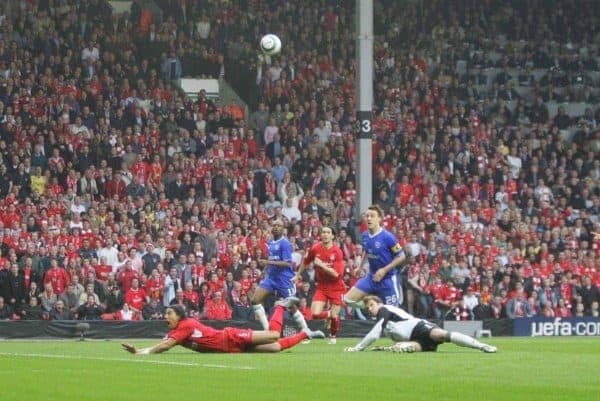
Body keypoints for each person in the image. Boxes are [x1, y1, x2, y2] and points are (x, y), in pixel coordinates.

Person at [122, 303, 325, 355]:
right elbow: (165, 342)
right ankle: (305, 333)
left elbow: (165, 346)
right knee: (275, 348)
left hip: (231, 337)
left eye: (169, 314)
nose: (167, 317)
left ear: (179, 315)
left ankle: (280, 305)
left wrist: (140, 352)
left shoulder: (186, 325)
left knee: (273, 335)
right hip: (230, 348)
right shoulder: (178, 329)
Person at [344, 295, 497, 353]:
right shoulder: (383, 317)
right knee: (401, 349)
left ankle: (482, 346)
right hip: (415, 340)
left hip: (419, 328)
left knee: (441, 335)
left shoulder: (384, 310)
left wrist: (357, 348)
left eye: (371, 305)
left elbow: (375, 333)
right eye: (367, 308)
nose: (370, 309)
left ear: (379, 303)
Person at [344, 205, 406, 309]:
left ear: (379, 219)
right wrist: (361, 267)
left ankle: (379, 307)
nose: (368, 218)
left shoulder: (388, 237)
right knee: (348, 300)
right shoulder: (365, 236)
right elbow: (368, 251)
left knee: (392, 314)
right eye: (367, 216)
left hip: (388, 279)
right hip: (371, 277)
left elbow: (401, 256)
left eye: (372, 216)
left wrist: (384, 270)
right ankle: (373, 305)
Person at [251, 220, 307, 332]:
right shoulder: (271, 243)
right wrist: (265, 269)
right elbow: (272, 258)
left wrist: (267, 263)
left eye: (279, 225)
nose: (276, 227)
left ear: (283, 229)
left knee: (292, 307)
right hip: (271, 278)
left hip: (284, 279)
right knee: (255, 300)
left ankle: (305, 330)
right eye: (274, 225)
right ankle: (267, 330)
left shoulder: (285, 244)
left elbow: (287, 263)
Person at [295, 226, 346, 344]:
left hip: (336, 287)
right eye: (323, 232)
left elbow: (338, 275)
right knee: (315, 314)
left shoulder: (337, 252)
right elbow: (306, 261)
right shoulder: (315, 248)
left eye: (328, 232)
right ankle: (328, 314)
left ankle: (333, 336)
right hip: (322, 287)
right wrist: (298, 274)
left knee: (334, 316)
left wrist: (322, 265)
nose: (325, 234)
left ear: (333, 236)